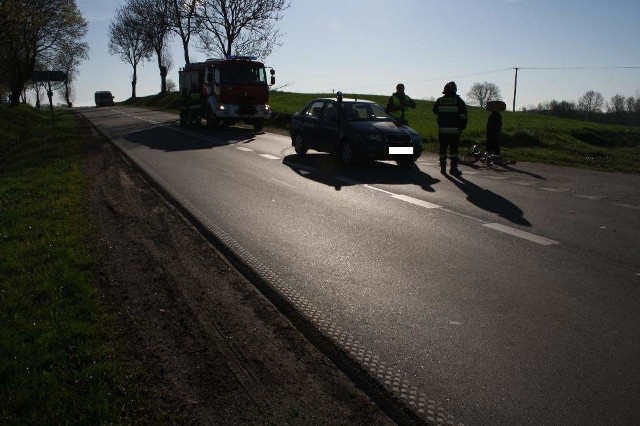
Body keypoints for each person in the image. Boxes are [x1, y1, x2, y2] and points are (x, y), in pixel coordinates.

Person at [432, 81, 468, 176]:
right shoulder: (458, 101)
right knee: (454, 151)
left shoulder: (440, 101)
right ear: (455, 90)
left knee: (443, 150)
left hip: (442, 131)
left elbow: (435, 111)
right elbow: (464, 116)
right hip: (455, 131)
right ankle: (453, 168)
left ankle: (443, 167)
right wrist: (461, 127)